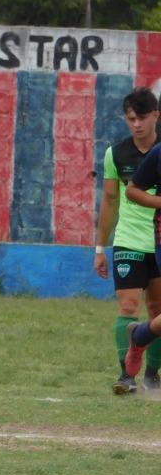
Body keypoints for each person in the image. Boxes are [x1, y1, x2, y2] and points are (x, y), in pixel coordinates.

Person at [93, 88, 161, 393]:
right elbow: (110, 199)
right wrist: (100, 247)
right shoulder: (115, 154)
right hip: (129, 240)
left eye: (142, 118)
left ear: (156, 116)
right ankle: (126, 377)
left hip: (156, 241)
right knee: (129, 305)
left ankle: (152, 376)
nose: (137, 124)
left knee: (158, 311)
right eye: (131, 118)